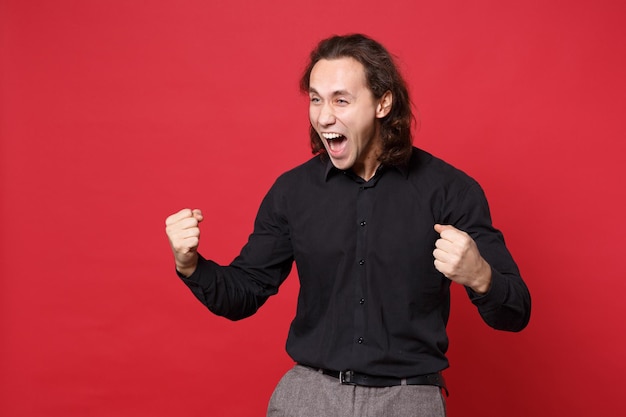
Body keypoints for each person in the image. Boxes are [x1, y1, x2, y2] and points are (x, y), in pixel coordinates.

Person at [165, 33, 531, 417]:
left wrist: (481, 276)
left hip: (407, 401)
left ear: (383, 102)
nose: (324, 116)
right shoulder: (292, 192)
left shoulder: (450, 190)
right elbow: (242, 294)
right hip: (307, 398)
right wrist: (190, 265)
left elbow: (516, 312)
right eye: (316, 99)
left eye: (341, 100)